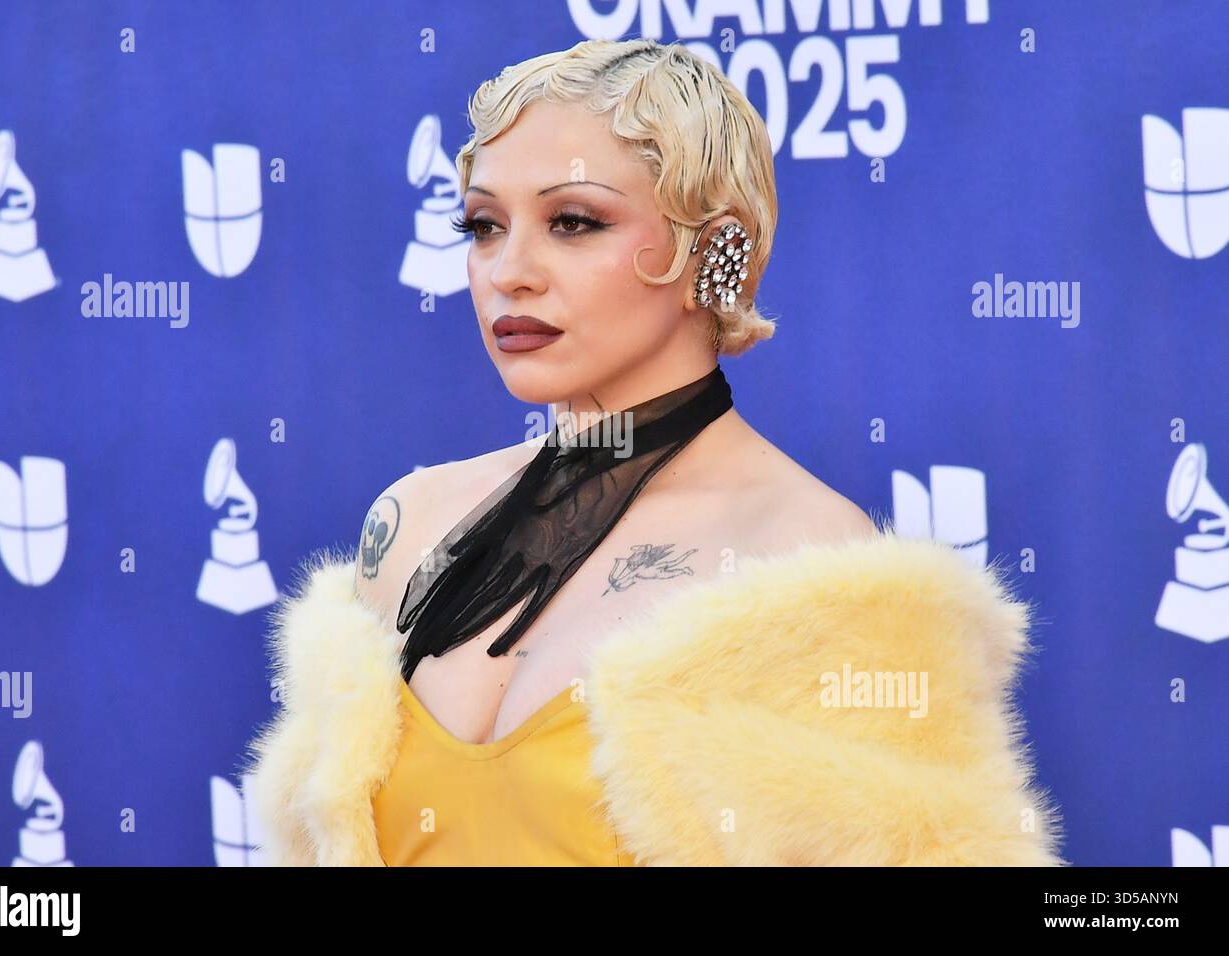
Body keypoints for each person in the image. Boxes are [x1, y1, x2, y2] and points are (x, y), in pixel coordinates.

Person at [241, 37, 1066, 867]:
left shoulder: (811, 558)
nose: (509, 271)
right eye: (483, 225)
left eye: (573, 221)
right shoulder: (413, 520)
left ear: (713, 250)